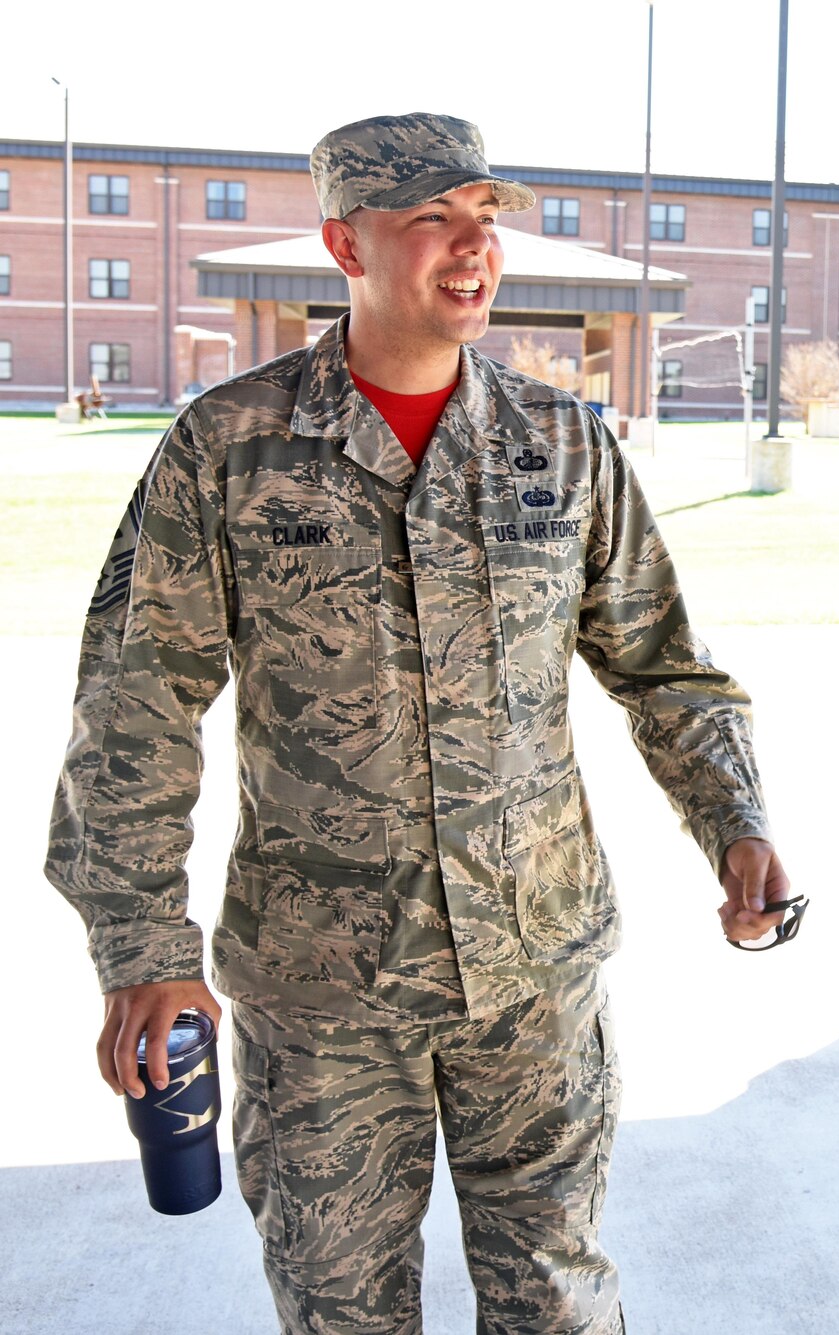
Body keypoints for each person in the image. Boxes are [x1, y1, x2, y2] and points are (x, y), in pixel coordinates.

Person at [46, 111, 794, 1334]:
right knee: (342, 1310)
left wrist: (736, 819)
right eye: (430, 221)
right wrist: (140, 948)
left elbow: (663, 667)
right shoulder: (229, 448)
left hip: (534, 979)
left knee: (557, 1301)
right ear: (346, 243)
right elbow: (134, 706)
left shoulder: (562, 446)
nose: (471, 250)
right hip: (322, 993)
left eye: (484, 220)